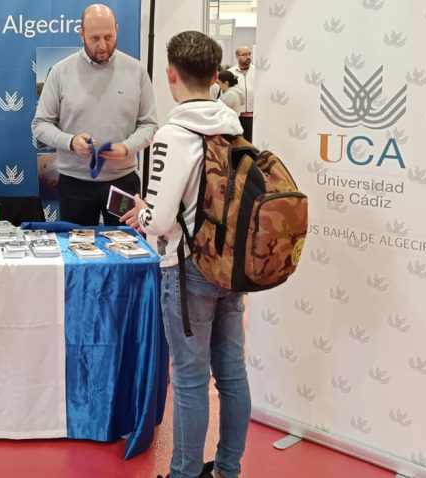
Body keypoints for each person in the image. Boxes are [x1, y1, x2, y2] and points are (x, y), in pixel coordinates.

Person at [123, 31, 249, 478]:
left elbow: (159, 221)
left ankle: (184, 473)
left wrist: (143, 209)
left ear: (170, 74)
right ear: (215, 76)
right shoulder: (233, 127)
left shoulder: (173, 135)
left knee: (191, 379)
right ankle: (228, 469)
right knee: (231, 373)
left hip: (188, 267)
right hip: (230, 264)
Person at [32, 3, 158, 226]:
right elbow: (40, 124)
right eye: (95, 38)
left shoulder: (136, 70)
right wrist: (71, 142)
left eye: (109, 37)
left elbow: (149, 124)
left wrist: (127, 147)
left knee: (128, 244)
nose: (102, 45)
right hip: (75, 185)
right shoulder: (60, 72)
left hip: (123, 182)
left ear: (117, 30)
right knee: (76, 245)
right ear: (81, 34)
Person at [228, 46, 255, 142]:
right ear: (237, 56)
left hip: (254, 118)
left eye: (249, 54)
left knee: (252, 145)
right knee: (237, 145)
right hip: (236, 118)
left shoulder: (257, 71)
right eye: (244, 54)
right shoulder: (230, 73)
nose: (248, 57)